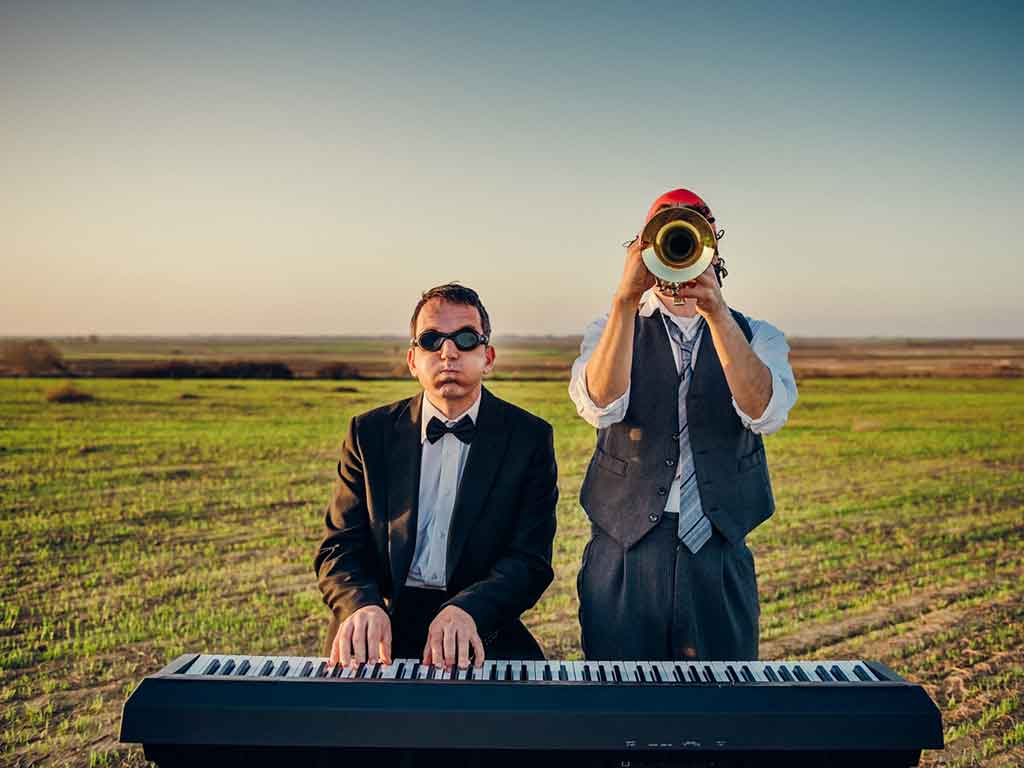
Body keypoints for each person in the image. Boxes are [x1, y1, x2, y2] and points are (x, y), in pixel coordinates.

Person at [570, 188, 798, 661]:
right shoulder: (609, 328)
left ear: (713, 248)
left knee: (720, 711)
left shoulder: (758, 334)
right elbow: (600, 403)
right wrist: (625, 298)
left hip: (718, 549)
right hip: (624, 551)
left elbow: (764, 412)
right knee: (619, 708)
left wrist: (715, 312)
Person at [315, 283, 558, 672]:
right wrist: (361, 604)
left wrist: (469, 610)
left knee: (527, 723)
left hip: (479, 620)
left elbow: (529, 561)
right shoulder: (368, 434)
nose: (448, 352)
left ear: (488, 356)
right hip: (381, 622)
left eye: (465, 339)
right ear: (413, 360)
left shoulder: (528, 438)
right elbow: (339, 547)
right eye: (432, 340)